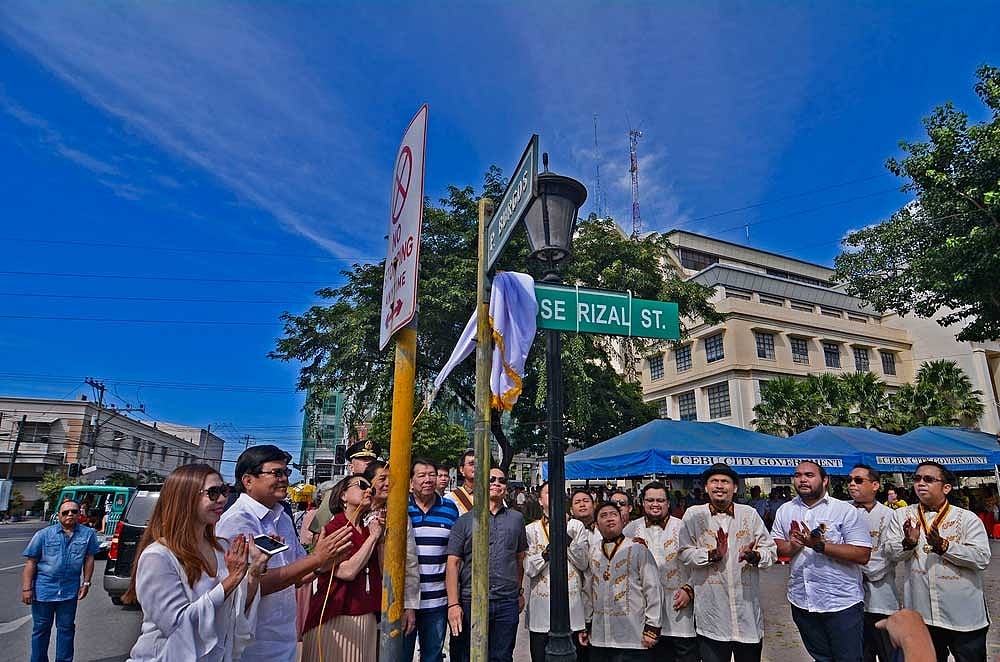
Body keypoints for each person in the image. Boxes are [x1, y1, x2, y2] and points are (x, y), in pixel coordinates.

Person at [216, 445, 353, 662]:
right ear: (248, 480)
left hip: (283, 637)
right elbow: (248, 585)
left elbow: (296, 576)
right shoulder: (237, 521)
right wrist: (317, 558)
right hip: (250, 644)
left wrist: (323, 564)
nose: (284, 479)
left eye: (286, 472)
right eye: (276, 473)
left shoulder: (282, 517)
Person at [125, 464, 269, 661]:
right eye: (213, 493)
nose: (222, 499)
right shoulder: (158, 556)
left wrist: (254, 572)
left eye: (224, 491)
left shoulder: (222, 547)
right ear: (186, 498)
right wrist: (233, 578)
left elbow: (234, 609)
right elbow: (178, 625)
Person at [884, 461, 991, 662]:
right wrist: (908, 543)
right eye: (917, 478)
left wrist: (944, 546)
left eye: (928, 479)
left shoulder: (967, 518)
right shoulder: (902, 516)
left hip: (963, 616)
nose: (920, 483)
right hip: (922, 614)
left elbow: (982, 558)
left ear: (946, 487)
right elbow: (890, 553)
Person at [772, 461, 872, 662]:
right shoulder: (785, 510)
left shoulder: (844, 510)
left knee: (848, 659)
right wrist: (793, 546)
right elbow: (776, 547)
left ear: (824, 480)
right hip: (802, 601)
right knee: (821, 658)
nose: (802, 480)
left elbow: (862, 554)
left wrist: (819, 545)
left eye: (809, 475)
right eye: (798, 475)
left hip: (841, 602)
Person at [679, 463, 776, 662]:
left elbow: (771, 551)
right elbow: (684, 553)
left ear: (735, 487)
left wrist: (754, 556)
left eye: (725, 481)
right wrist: (712, 554)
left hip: (746, 613)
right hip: (712, 616)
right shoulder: (693, 514)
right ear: (706, 487)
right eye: (714, 481)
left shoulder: (749, 514)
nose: (719, 486)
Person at [446, 466, 527, 662]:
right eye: (491, 480)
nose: (496, 483)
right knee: (467, 655)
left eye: (501, 480)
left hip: (506, 601)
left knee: (502, 656)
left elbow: (519, 559)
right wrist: (453, 604)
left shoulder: (516, 519)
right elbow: (453, 563)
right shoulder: (465, 521)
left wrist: (519, 592)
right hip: (471, 600)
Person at [302, 474, 384, 662]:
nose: (368, 490)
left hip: (366, 614)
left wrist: (379, 540)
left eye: (371, 488)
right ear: (343, 495)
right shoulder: (334, 527)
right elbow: (347, 571)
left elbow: (380, 570)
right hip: (336, 614)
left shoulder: (368, 530)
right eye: (361, 485)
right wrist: (373, 538)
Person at [579, 501, 662, 661]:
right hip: (600, 638)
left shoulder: (637, 548)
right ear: (596, 525)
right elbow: (588, 590)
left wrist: (652, 627)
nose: (610, 518)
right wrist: (586, 624)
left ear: (623, 520)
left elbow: (653, 589)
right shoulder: (593, 551)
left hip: (633, 638)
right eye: (604, 516)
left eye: (613, 514)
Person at [624, 481, 697, 662]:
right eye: (650, 500)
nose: (655, 504)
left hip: (680, 614)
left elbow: (699, 564)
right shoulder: (631, 529)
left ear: (668, 503)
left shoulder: (683, 527)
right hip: (645, 618)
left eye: (660, 500)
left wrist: (689, 589)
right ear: (642, 502)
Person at [21, 499, 100, 662]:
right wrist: (27, 589)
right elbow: (31, 562)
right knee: (41, 629)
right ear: (58, 516)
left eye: (74, 511)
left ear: (79, 514)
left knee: (66, 629)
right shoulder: (43, 535)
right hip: (44, 591)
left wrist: (86, 583)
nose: (70, 514)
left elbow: (89, 559)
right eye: (65, 512)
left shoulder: (88, 534)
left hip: (69, 592)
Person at [524, 481, 587, 662]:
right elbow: (529, 568)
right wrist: (545, 554)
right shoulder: (530, 530)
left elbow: (583, 562)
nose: (553, 496)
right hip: (541, 610)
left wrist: (565, 534)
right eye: (548, 493)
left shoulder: (576, 526)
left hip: (572, 608)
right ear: (539, 500)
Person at [405, 458, 460, 662]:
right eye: (421, 475)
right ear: (411, 481)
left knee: (433, 656)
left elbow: (455, 553)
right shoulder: (400, 506)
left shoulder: (450, 508)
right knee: (400, 654)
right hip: (405, 601)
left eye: (432, 475)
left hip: (437, 600)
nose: (428, 480)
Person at [846, 464, 899, 662]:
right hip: (849, 600)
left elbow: (889, 554)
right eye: (849, 480)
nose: (852, 484)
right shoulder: (842, 511)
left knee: (888, 653)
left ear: (875, 485)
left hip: (882, 598)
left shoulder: (890, 515)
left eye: (858, 480)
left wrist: (862, 572)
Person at [445, 450, 476, 515]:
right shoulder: (450, 498)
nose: (476, 467)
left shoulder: (492, 495)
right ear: (462, 470)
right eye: (471, 464)